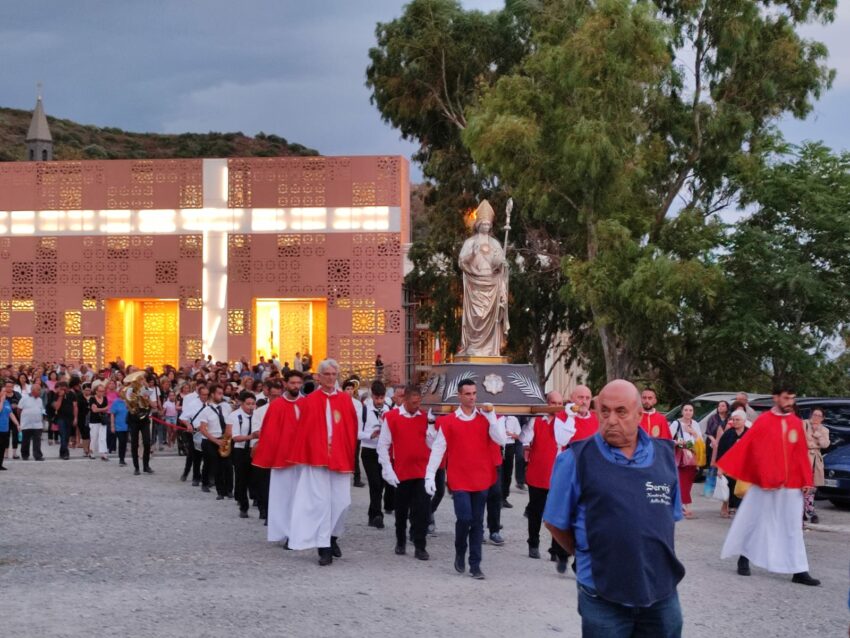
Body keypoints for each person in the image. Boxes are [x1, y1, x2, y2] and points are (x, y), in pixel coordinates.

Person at [544, 379, 685, 637]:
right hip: (602, 593)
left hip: (660, 592)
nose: (610, 419)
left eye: (621, 412)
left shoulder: (665, 457)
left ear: (639, 415)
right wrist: (588, 552)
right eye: (604, 411)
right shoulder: (575, 458)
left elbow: (668, 518)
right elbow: (554, 521)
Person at [719, 385, 820, 586]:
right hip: (764, 483)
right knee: (754, 520)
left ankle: (798, 569)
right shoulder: (763, 421)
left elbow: (800, 453)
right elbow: (751, 450)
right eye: (786, 398)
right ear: (775, 398)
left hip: (790, 484)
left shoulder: (795, 422)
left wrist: (806, 480)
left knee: (793, 526)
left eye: (792, 398)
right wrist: (761, 476)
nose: (790, 402)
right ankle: (744, 558)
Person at [266, 359, 358, 566]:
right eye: (327, 374)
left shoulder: (345, 400)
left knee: (342, 503)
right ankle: (323, 547)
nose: (331, 378)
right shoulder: (310, 401)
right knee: (320, 503)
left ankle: (333, 536)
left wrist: (347, 452)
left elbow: (351, 428)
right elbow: (302, 432)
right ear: (318, 376)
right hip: (316, 459)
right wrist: (304, 454)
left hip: (339, 458)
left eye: (334, 374)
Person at [425, 378, 507, 579]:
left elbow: (501, 440)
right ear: (460, 396)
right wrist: (429, 475)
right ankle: (460, 551)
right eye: (467, 394)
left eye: (474, 393)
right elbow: (438, 449)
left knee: (477, 522)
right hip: (459, 479)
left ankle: (475, 564)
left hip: (481, 478)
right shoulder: (450, 421)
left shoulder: (485, 419)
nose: (472, 397)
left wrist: (492, 417)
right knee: (464, 518)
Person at [522, 391, 575, 572]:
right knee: (536, 511)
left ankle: (555, 549)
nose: (556, 406)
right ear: (547, 403)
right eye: (553, 402)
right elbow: (525, 438)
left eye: (560, 403)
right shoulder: (536, 420)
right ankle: (533, 543)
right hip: (538, 473)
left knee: (556, 514)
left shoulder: (564, 421)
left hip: (557, 475)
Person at [377, 385, 431, 560]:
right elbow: (383, 445)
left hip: (421, 471)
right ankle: (400, 540)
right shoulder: (392, 417)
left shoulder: (424, 417)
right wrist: (388, 470)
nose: (417, 406)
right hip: (401, 471)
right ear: (405, 400)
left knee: (421, 510)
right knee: (401, 510)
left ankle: (420, 544)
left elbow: (432, 442)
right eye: (414, 403)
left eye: (419, 402)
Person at [253, 370, 303, 528]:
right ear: (286, 384)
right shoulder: (276, 406)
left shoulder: (307, 403)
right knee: (282, 496)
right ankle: (284, 529)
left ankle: (298, 529)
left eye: (298, 383)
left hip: (302, 459)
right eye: (293, 383)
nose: (296, 386)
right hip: (282, 459)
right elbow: (269, 434)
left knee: (300, 496)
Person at [358, 380, 393, 528]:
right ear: (372, 396)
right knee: (375, 483)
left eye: (382, 397)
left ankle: (372, 513)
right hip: (369, 451)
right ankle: (378, 515)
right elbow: (357, 433)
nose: (379, 401)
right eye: (377, 398)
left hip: (384, 451)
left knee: (382, 483)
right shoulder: (363, 410)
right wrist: (369, 435)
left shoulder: (389, 408)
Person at [198, 384, 233, 499]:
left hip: (226, 439)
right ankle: (220, 492)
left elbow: (231, 422)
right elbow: (202, 429)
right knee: (217, 466)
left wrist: (228, 437)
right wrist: (216, 441)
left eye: (222, 393)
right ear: (212, 394)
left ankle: (229, 490)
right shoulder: (206, 410)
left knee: (228, 466)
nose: (221, 395)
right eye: (219, 393)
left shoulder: (227, 407)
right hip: (213, 440)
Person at [227, 391, 257, 518]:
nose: (251, 407)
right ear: (242, 403)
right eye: (248, 404)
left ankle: (260, 504)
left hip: (255, 450)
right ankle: (243, 506)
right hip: (241, 450)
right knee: (242, 479)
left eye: (253, 404)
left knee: (256, 478)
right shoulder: (235, 416)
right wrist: (251, 436)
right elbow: (235, 437)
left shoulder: (257, 415)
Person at [670, 403, 702, 519]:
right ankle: (686, 507)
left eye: (690, 410)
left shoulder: (695, 424)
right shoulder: (676, 423)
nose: (688, 412)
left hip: (692, 456)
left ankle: (682, 505)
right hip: (681, 456)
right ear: (682, 411)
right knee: (681, 482)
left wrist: (693, 432)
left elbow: (700, 441)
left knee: (688, 482)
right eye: (686, 410)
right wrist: (681, 442)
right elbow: (669, 439)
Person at [715, 409, 748, 517]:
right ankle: (725, 506)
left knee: (742, 488)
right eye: (733, 420)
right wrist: (719, 467)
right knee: (728, 485)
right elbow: (721, 451)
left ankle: (740, 508)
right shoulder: (728, 434)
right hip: (728, 465)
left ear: (744, 421)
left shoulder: (749, 433)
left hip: (744, 466)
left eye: (737, 420)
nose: (735, 422)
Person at [803, 406, 830, 524]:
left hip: (815, 461)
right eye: (814, 415)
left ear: (823, 418)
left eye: (819, 416)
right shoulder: (804, 424)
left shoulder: (824, 430)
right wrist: (811, 443)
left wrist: (818, 435)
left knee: (812, 487)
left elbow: (825, 444)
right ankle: (806, 511)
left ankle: (809, 511)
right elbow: (801, 439)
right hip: (803, 458)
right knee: (802, 486)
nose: (816, 418)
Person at [180, 384, 209, 486]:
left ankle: (207, 477)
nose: (205, 397)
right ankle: (195, 477)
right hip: (196, 433)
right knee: (196, 456)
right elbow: (183, 417)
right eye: (203, 395)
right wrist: (188, 425)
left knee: (208, 457)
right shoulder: (193, 404)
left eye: (207, 394)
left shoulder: (211, 404)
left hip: (208, 433)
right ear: (199, 395)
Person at [125, 378, 154, 476]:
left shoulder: (145, 390)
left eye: (140, 380)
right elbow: (127, 403)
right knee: (134, 443)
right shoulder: (129, 390)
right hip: (134, 419)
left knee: (147, 442)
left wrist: (147, 399)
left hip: (144, 419)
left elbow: (153, 405)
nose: (139, 382)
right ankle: (136, 467)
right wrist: (131, 403)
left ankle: (146, 466)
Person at [343, 379, 366, 488]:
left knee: (355, 456)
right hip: (342, 434)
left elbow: (359, 420)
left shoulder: (357, 404)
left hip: (354, 433)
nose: (350, 391)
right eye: (347, 389)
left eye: (352, 389)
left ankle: (357, 478)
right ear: (343, 391)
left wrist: (359, 434)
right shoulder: (339, 402)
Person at [499, 413, 522, 508]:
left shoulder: (514, 419)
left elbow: (518, 435)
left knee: (508, 473)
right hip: (499, 445)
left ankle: (504, 497)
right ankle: (497, 497)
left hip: (509, 445)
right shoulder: (498, 418)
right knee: (499, 472)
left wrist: (511, 434)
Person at [19, 383, 45, 461]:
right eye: (39, 390)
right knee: (25, 441)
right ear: (33, 390)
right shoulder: (24, 398)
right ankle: (25, 455)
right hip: (26, 423)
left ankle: (38, 456)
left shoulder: (40, 400)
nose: (40, 391)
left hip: (37, 424)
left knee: (37, 441)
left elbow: (41, 410)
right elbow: (19, 409)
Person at [88, 383, 110, 461]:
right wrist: (104, 409)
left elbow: (108, 408)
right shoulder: (92, 399)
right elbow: (94, 410)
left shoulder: (105, 398)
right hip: (94, 421)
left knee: (103, 438)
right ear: (96, 391)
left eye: (103, 391)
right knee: (94, 437)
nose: (102, 393)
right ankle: (91, 452)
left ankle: (103, 453)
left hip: (103, 421)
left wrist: (100, 409)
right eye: (100, 391)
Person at [0, 386, 21, 470]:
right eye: (3, 392)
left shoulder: (7, 402)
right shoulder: (2, 402)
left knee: (2, 447)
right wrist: (1, 400)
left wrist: (17, 424)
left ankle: (0, 464)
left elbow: (11, 414)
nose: (5, 393)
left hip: (5, 428)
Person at [110, 393, 129, 466]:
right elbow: (112, 414)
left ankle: (123, 459)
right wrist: (112, 425)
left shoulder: (128, 401)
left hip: (127, 425)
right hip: (118, 426)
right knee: (121, 442)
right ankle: (121, 459)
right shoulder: (116, 402)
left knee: (124, 443)